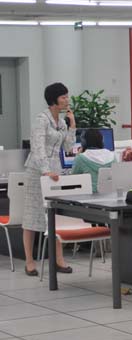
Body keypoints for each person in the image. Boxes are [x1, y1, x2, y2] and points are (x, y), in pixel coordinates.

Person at [22, 82, 76, 276]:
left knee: (54, 215)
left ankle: (58, 259)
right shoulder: (41, 119)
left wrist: (72, 125)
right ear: (54, 100)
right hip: (37, 171)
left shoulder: (61, 122)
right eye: (63, 97)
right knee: (32, 216)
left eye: (67, 96)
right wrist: (45, 171)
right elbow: (37, 147)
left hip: (55, 171)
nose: (67, 100)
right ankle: (29, 261)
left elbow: (68, 147)